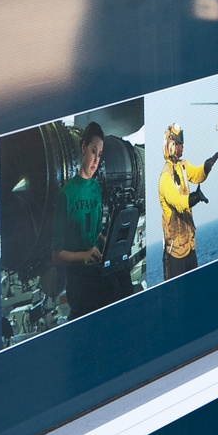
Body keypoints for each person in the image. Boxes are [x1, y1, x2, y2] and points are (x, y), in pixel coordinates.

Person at [51, 121, 134, 317]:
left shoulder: (96, 189)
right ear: (83, 148)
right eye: (93, 152)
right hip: (79, 275)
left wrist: (114, 247)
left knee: (125, 280)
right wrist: (84, 255)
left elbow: (97, 233)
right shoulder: (66, 194)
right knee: (113, 290)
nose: (96, 160)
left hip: (95, 266)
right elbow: (57, 256)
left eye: (99, 155)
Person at [158, 123, 218, 279]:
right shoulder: (165, 178)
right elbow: (179, 203)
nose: (182, 147)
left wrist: (207, 166)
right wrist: (196, 197)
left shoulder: (182, 166)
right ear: (171, 145)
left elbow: (196, 174)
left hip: (189, 247)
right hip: (175, 254)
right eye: (179, 144)